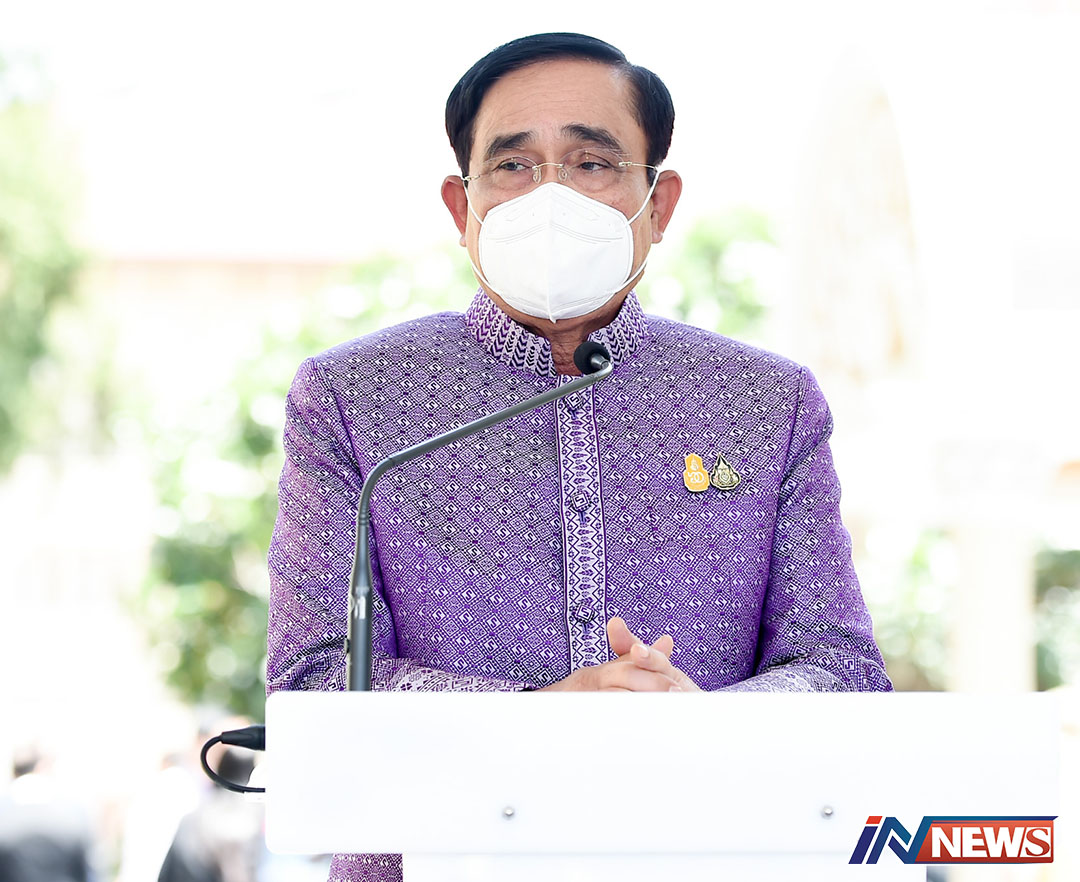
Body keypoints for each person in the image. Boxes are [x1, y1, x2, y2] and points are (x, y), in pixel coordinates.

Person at [267, 32, 892, 882]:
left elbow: (843, 671)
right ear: (461, 208)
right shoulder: (355, 399)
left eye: (592, 163)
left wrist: (704, 724)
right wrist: (540, 717)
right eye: (512, 166)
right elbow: (313, 681)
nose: (550, 196)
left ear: (658, 204)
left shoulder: (765, 404)